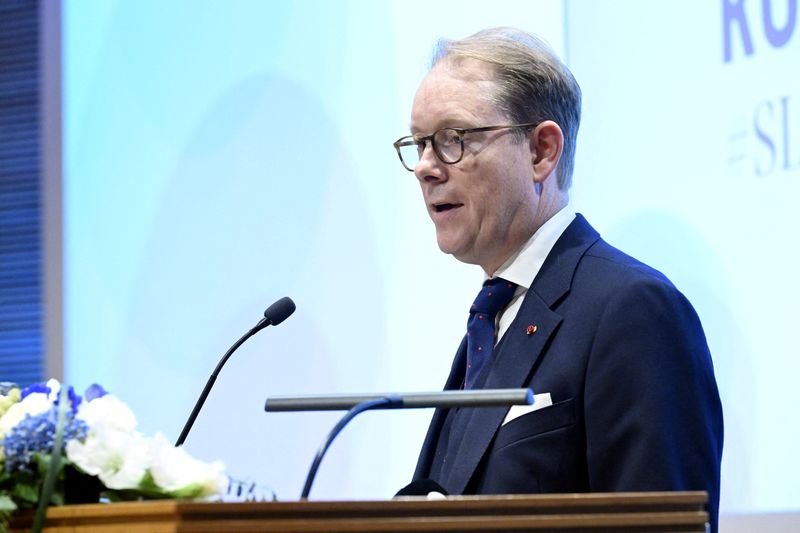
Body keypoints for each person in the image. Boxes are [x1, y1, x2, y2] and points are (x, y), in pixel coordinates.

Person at [392, 27, 723, 532]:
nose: (426, 168)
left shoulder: (631, 310)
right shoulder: (493, 319)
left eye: (454, 139)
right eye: (420, 144)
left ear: (542, 151)